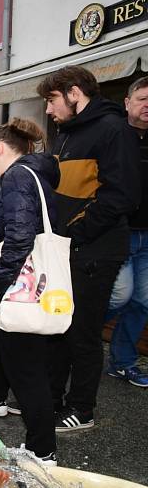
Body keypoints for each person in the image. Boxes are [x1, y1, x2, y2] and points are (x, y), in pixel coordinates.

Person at [37, 66, 140, 432]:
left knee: (83, 332)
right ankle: (49, 399)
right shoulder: (68, 133)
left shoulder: (114, 130)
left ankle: (82, 409)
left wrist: (77, 232)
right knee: (60, 327)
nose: (48, 110)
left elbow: (121, 195)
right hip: (69, 248)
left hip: (95, 249)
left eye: (51, 101)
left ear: (74, 93)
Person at [0, 118, 60, 465]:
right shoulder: (38, 174)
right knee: (13, 352)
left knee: (27, 371)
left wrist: (2, 280)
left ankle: (42, 451)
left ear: (0, 148)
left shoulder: (15, 176)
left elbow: (19, 236)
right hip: (32, 283)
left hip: (20, 286)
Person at [105, 76, 148, 389]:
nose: (147, 106)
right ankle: (71, 335)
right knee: (120, 294)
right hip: (119, 233)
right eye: (143, 99)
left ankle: (123, 362)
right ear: (128, 103)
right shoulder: (115, 136)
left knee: (144, 301)